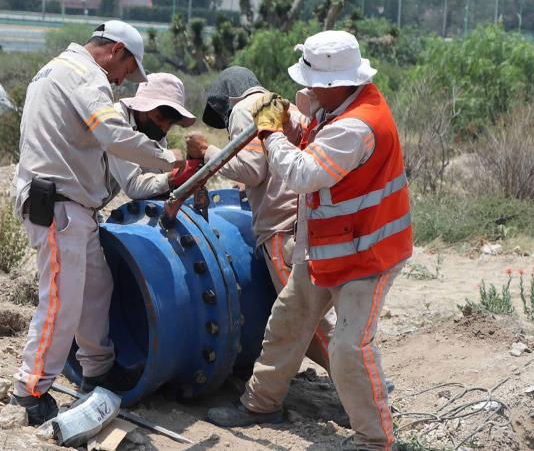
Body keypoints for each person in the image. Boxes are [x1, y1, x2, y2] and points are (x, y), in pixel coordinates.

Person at [207, 31, 412, 451]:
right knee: (288, 322)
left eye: (314, 82)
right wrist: (297, 120)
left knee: (348, 348)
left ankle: (375, 441)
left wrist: (271, 134)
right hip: (330, 246)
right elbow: (314, 139)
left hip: (367, 255)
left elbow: (302, 173)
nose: (308, 88)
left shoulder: (356, 125)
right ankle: (261, 403)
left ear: (335, 83)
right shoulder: (344, 104)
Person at [11, 21, 184, 426]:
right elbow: (111, 133)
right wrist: (168, 158)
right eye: (126, 70)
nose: (123, 80)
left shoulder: (57, 69)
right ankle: (31, 388)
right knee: (61, 299)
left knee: (95, 286)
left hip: (72, 207)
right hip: (58, 204)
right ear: (115, 50)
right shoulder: (85, 75)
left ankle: (97, 368)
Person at [186, 66, 335, 371]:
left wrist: (207, 151)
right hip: (310, 217)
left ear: (227, 100)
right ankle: (358, 381)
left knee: (307, 319)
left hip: (281, 227)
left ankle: (359, 388)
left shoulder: (244, 107)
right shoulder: (284, 104)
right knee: (317, 312)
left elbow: (252, 169)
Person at [105, 72, 200, 203]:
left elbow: (156, 179)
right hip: (71, 202)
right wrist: (173, 178)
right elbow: (134, 186)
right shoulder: (115, 121)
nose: (164, 128)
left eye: (170, 123)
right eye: (159, 118)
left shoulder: (154, 132)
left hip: (91, 204)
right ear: (142, 107)